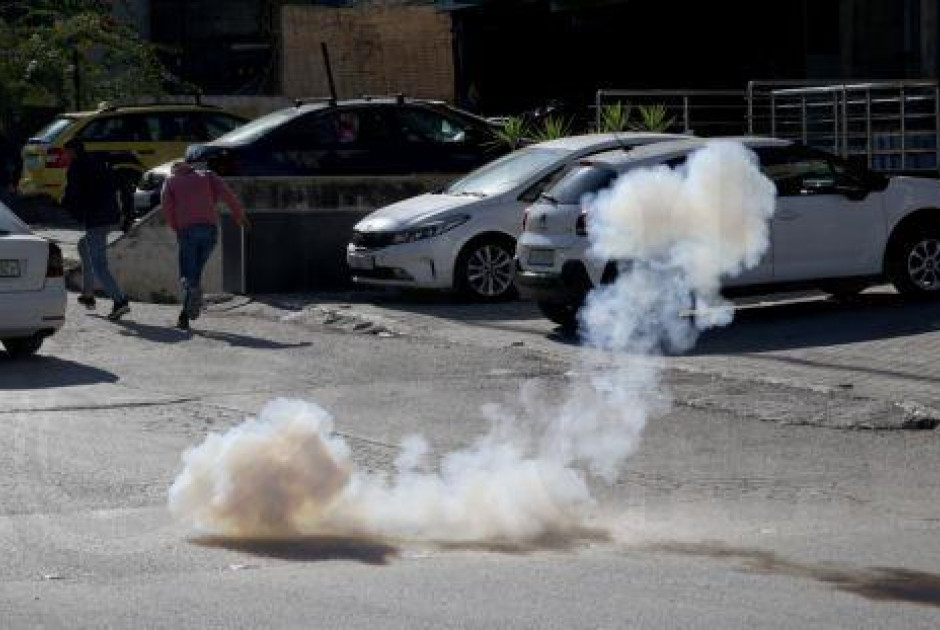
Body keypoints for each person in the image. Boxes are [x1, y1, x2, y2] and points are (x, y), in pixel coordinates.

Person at [160, 160, 248, 331]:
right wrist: (239, 215)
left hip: (187, 231)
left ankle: (189, 308)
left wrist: (176, 227)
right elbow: (227, 194)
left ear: (174, 169)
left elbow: (167, 207)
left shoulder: (170, 181)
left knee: (187, 275)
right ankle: (185, 317)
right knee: (196, 273)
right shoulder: (207, 175)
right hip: (210, 231)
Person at [61, 138, 130, 321]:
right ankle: (88, 293)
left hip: (96, 220)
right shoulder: (99, 162)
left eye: (66, 153)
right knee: (84, 246)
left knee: (99, 265)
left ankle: (120, 301)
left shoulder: (77, 167)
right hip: (112, 216)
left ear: (73, 152)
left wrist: (65, 206)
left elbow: (73, 194)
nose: (65, 157)